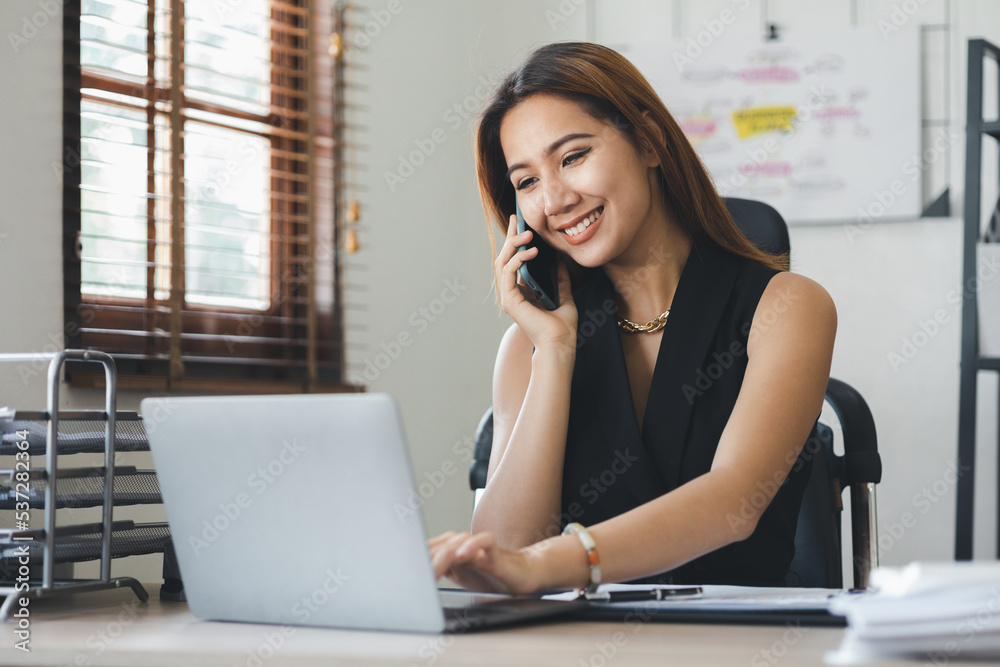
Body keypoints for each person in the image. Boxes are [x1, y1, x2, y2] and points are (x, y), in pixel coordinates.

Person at [430, 42, 836, 595]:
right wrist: (552, 352)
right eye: (525, 182)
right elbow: (503, 558)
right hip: (580, 645)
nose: (553, 199)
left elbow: (733, 504)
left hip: (740, 643)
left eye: (572, 157)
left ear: (648, 140)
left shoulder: (789, 306)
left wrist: (553, 563)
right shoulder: (528, 345)